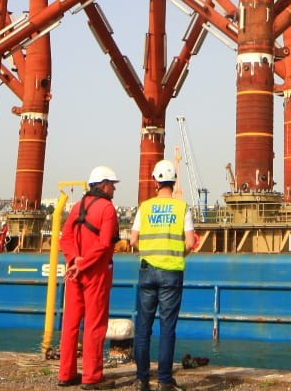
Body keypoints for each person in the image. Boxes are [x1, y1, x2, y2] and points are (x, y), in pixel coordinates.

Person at [130, 159, 199, 391]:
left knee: (143, 327)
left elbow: (132, 239)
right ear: (174, 181)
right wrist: (179, 254)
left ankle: (141, 379)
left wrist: (146, 252)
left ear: (155, 182)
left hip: (147, 271)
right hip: (172, 273)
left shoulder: (145, 207)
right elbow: (190, 242)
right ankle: (164, 381)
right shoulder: (182, 208)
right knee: (167, 328)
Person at [57, 165, 121, 388]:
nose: (114, 189)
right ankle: (92, 378)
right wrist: (83, 263)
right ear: (104, 185)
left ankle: (66, 374)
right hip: (96, 274)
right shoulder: (108, 209)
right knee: (94, 325)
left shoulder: (77, 206)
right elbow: (105, 244)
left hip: (74, 273)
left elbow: (64, 239)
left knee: (70, 324)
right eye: (112, 185)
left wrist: (74, 261)